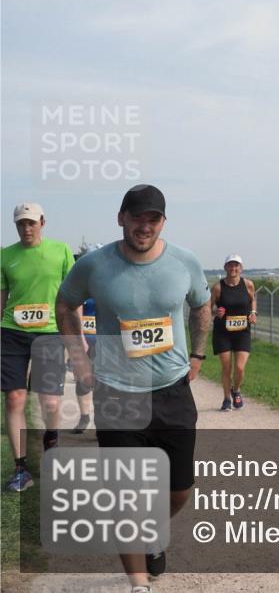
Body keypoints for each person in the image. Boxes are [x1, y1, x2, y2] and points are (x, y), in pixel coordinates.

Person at [56, 184, 211, 593]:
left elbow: (201, 305)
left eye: (153, 218)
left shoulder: (185, 263)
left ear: (163, 222)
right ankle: (138, 584)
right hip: (116, 392)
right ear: (121, 217)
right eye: (137, 216)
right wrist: (78, 355)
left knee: (179, 492)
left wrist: (198, 355)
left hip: (171, 392)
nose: (145, 226)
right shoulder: (93, 265)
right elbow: (64, 303)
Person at [1, 202, 75, 492]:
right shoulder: (5, 255)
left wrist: (74, 337)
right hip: (11, 331)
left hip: (50, 333)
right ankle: (21, 468)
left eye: (31, 222)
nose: (26, 228)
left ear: (42, 222)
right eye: (21, 223)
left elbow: (71, 299)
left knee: (50, 402)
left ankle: (52, 443)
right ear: (15, 225)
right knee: (14, 399)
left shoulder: (61, 250)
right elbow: (1, 297)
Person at [210, 253, 257, 411]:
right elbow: (208, 309)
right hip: (223, 332)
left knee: (240, 368)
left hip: (242, 332)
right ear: (225, 268)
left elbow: (253, 300)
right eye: (230, 265)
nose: (233, 268)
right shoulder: (218, 287)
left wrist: (253, 313)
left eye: (236, 265)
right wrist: (216, 313)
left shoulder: (248, 284)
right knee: (226, 367)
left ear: (241, 268)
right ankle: (226, 399)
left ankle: (236, 390)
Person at [70, 243, 103, 435]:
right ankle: (84, 417)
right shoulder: (78, 283)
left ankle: (101, 422)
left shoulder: (109, 283)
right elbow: (73, 312)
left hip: (105, 342)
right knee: (82, 379)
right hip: (83, 340)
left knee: (104, 382)